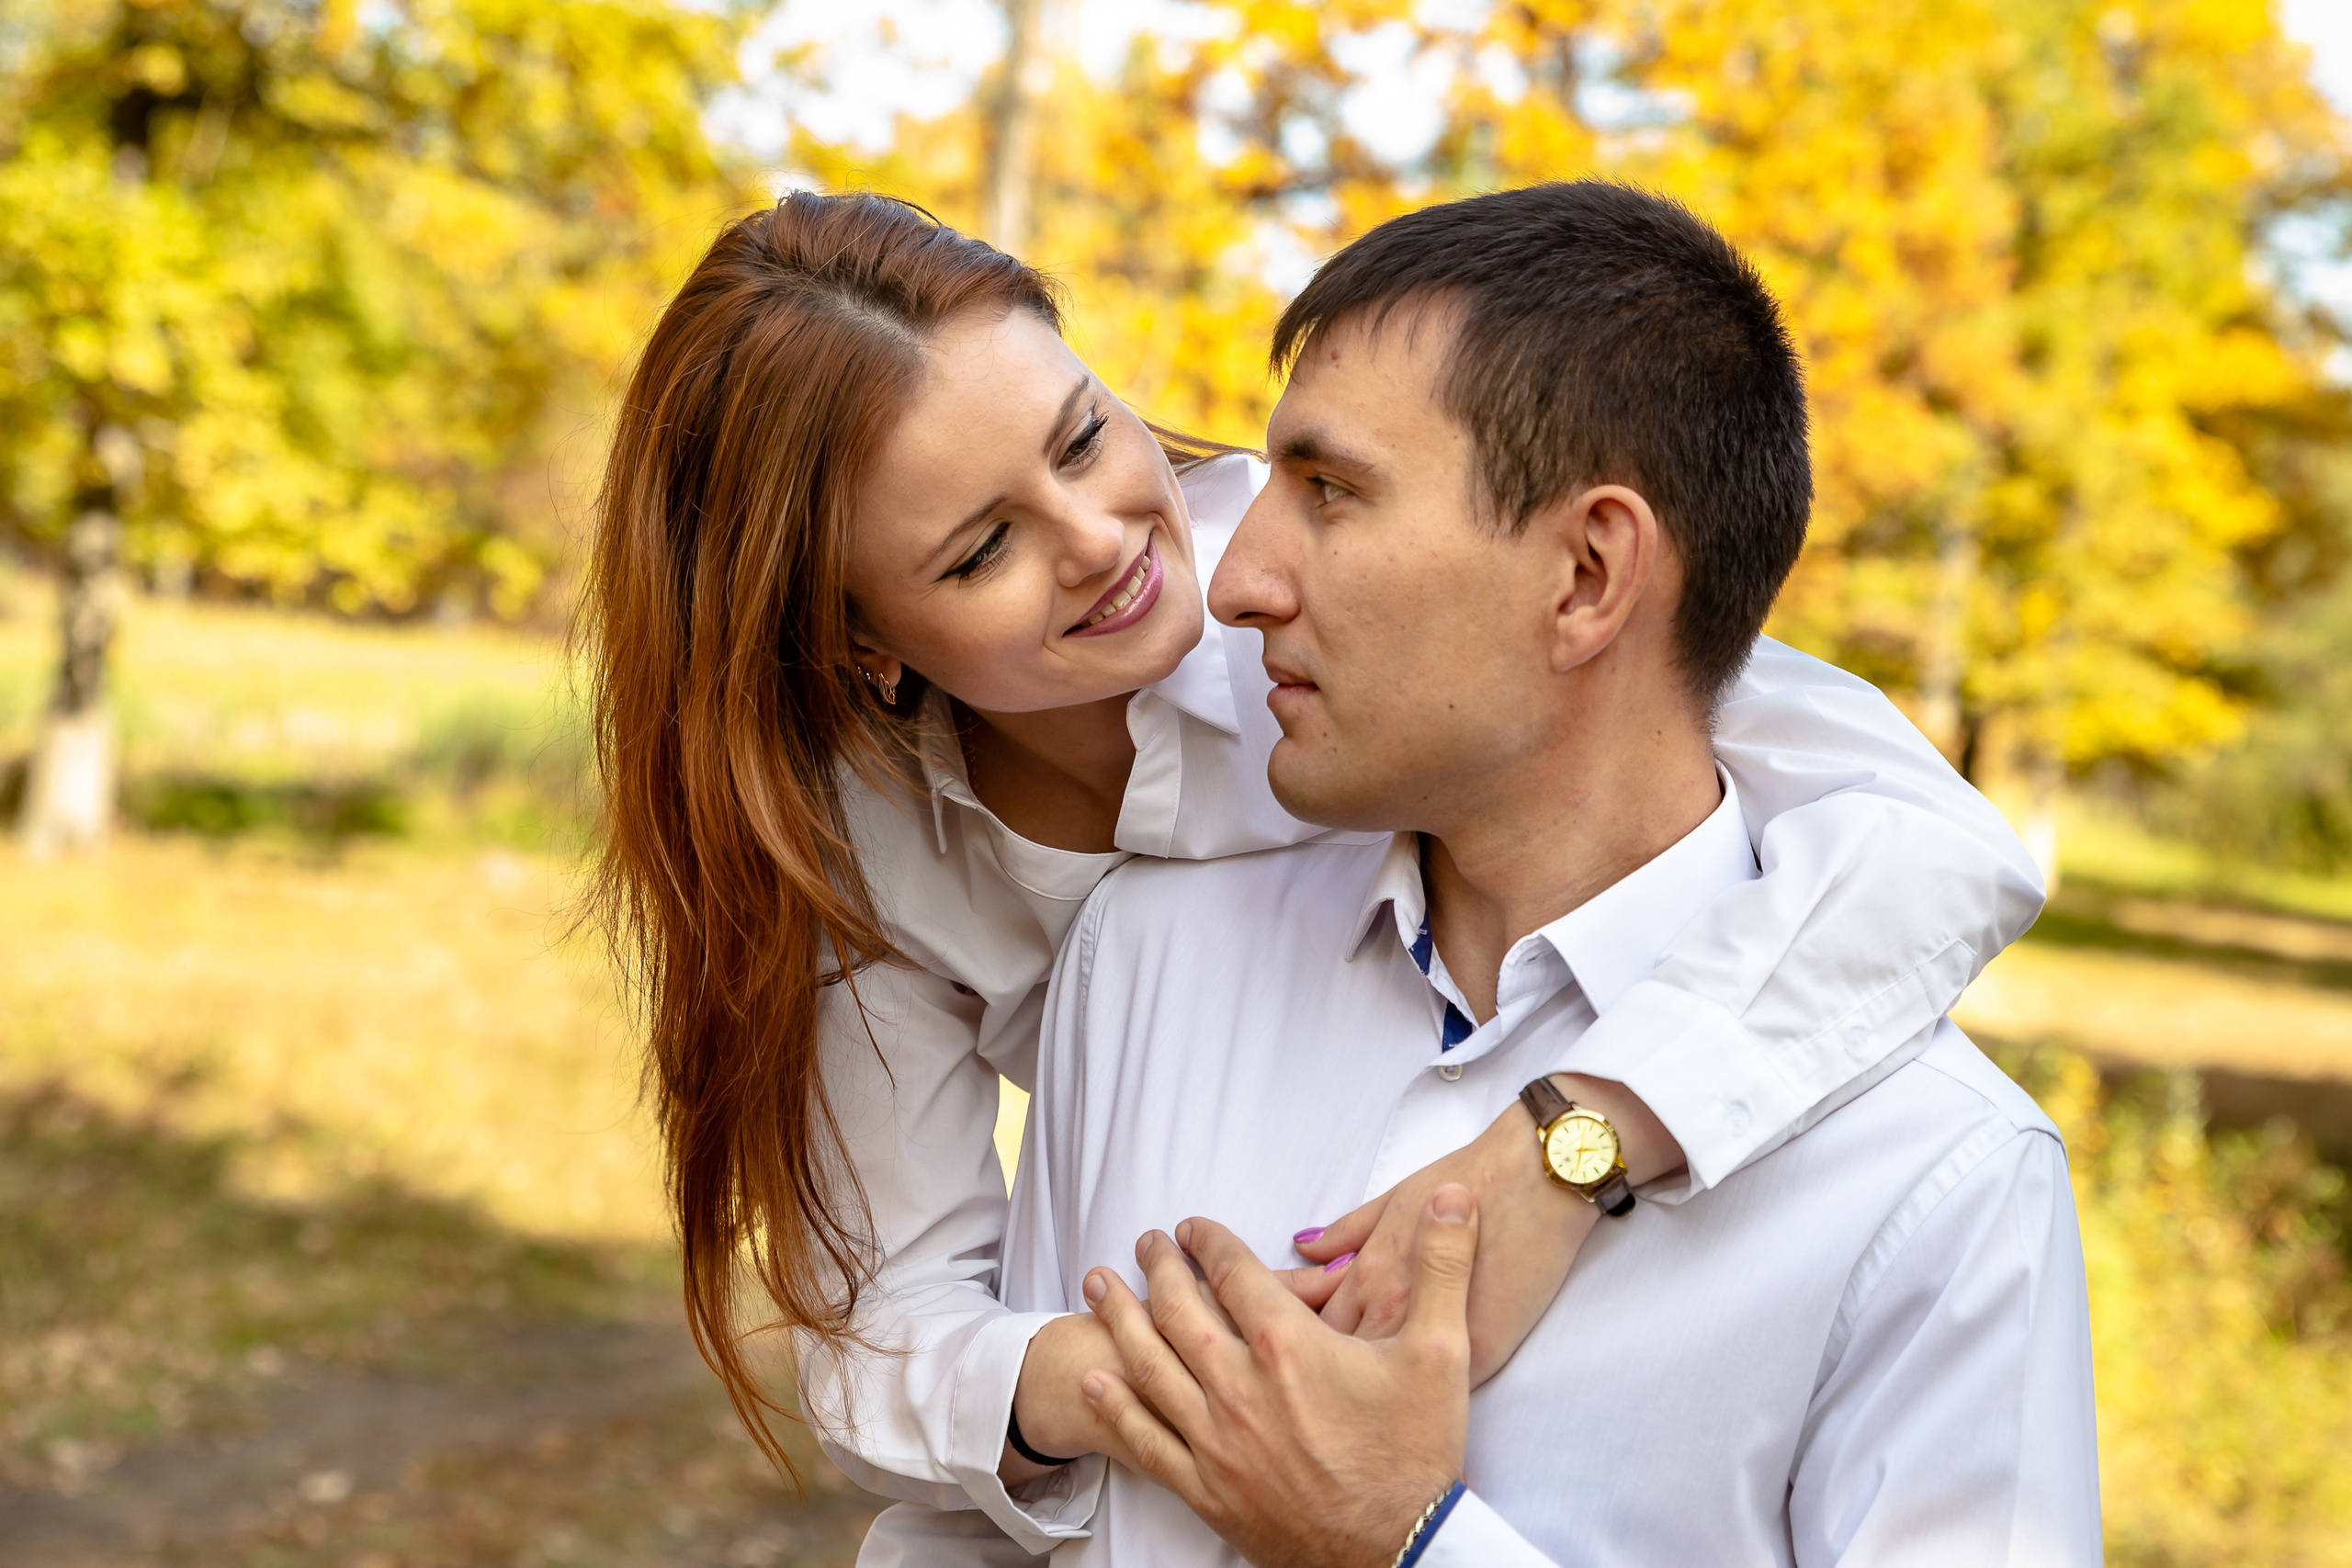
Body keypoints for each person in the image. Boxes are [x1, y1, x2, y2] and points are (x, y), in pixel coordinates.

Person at [580, 191, 2045, 1558]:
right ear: (860, 641)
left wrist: (1574, 1141)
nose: (1109, 544)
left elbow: (1916, 838)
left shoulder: (1343, 598)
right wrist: (1142, 1385)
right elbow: (881, 1332)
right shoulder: (881, 849)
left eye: (1084, 440)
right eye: (980, 553)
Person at [1001, 182, 2100, 1567]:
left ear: (1587, 575)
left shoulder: (1938, 1182)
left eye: (1330, 493)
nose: (1238, 583)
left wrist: (1404, 1544)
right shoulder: (1145, 962)